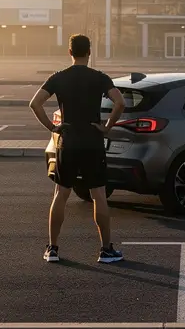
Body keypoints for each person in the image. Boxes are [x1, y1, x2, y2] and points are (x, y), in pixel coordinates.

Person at [29, 33, 126, 264]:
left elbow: (35, 103)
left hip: (68, 140)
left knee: (61, 194)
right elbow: (120, 102)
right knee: (98, 195)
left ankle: (52, 249)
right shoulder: (100, 78)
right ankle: (105, 250)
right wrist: (107, 127)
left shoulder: (59, 78)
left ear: (70, 52)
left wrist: (53, 127)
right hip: (92, 142)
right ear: (89, 53)